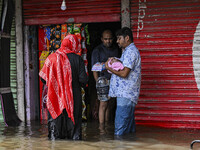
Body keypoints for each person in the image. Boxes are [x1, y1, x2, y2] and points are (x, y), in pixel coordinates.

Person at [39, 34, 88, 140]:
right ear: (74, 45)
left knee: (55, 129)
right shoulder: (77, 59)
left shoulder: (51, 58)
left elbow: (43, 78)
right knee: (75, 130)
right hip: (74, 98)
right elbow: (84, 80)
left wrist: (56, 84)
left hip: (55, 97)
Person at [105, 27, 141, 136]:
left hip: (126, 94)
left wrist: (109, 67)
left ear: (127, 38)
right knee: (128, 132)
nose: (117, 41)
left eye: (119, 38)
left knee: (120, 131)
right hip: (127, 95)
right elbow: (125, 66)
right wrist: (118, 60)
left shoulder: (130, 52)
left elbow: (125, 73)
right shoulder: (128, 51)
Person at [91, 29, 120, 130]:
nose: (108, 41)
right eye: (106, 39)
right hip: (102, 81)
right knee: (103, 104)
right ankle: (101, 129)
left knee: (110, 104)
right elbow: (94, 68)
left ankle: (107, 126)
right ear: (102, 39)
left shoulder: (116, 49)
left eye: (110, 39)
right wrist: (97, 83)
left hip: (114, 80)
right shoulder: (97, 51)